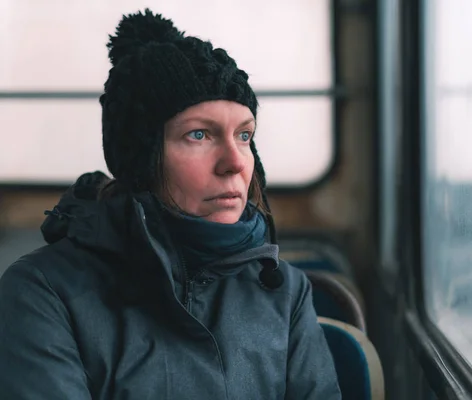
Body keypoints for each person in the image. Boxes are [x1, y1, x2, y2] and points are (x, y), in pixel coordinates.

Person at [0, 9, 341, 400]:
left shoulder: (283, 290)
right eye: (199, 134)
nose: (234, 162)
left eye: (245, 136)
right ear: (141, 159)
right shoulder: (44, 293)